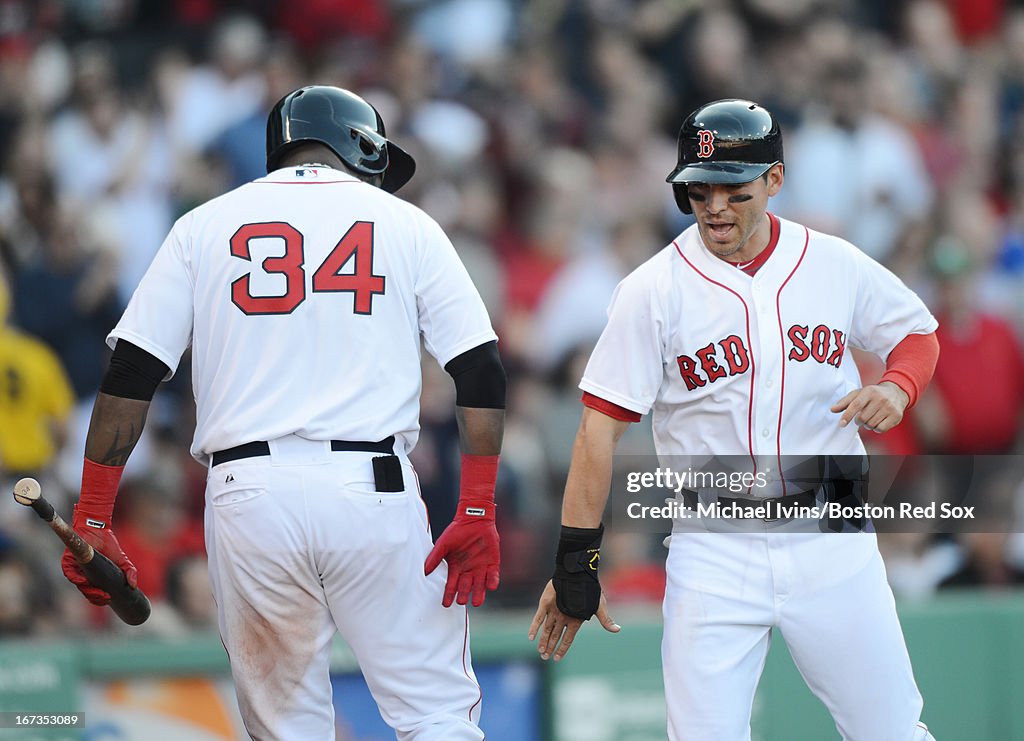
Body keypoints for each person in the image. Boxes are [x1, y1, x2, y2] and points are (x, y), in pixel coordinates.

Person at [60, 85, 506, 741]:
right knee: (435, 713)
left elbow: (131, 371)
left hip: (248, 494)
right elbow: (480, 368)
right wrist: (476, 507)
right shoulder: (405, 222)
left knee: (288, 730)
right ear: (361, 144)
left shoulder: (203, 224)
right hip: (370, 488)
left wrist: (93, 512)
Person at [529, 99, 940, 740]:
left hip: (830, 529)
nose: (715, 206)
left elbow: (915, 333)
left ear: (774, 180)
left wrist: (898, 385)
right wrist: (575, 558)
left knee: (892, 731)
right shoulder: (653, 290)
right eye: (699, 189)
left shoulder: (830, 261)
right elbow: (598, 429)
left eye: (733, 189)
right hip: (713, 541)